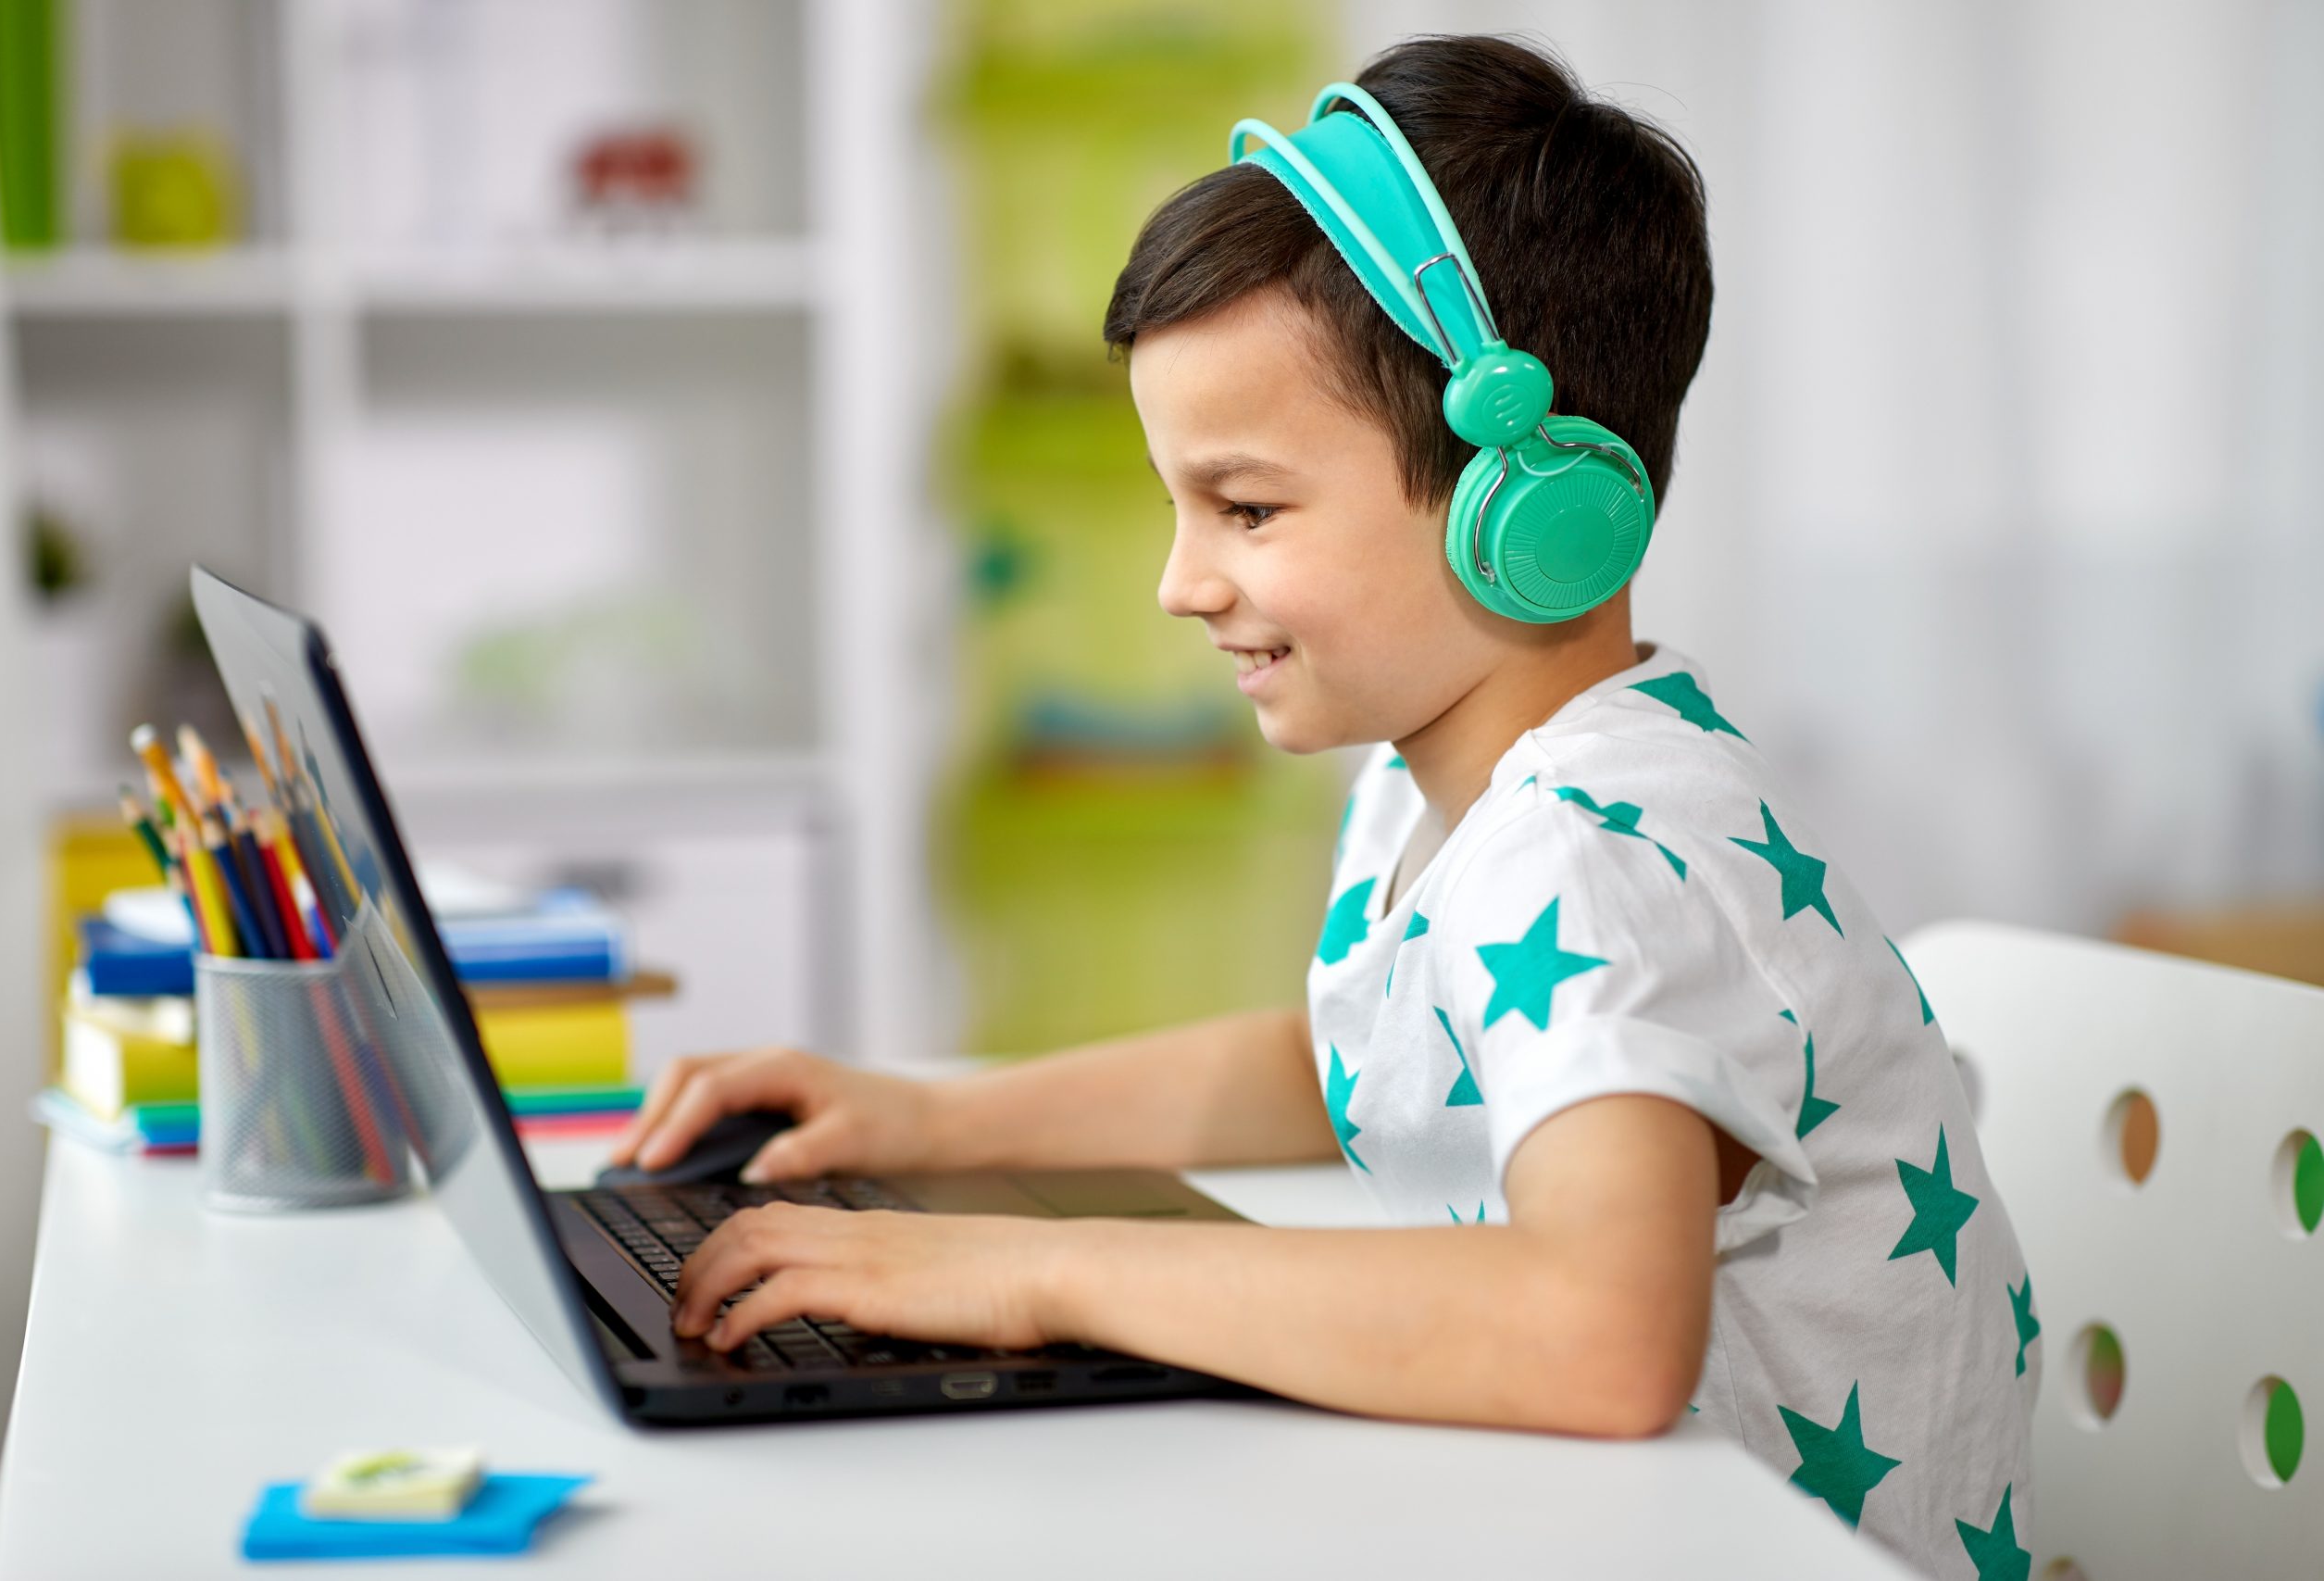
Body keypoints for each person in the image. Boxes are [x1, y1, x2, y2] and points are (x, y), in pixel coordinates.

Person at [608, 33, 2034, 1578]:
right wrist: (930, 1116)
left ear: (1538, 512)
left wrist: (1034, 1274)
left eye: (1248, 507)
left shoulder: (1601, 853)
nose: (1180, 580)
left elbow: (1598, 1339)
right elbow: (1358, 1060)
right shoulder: (1451, 783)